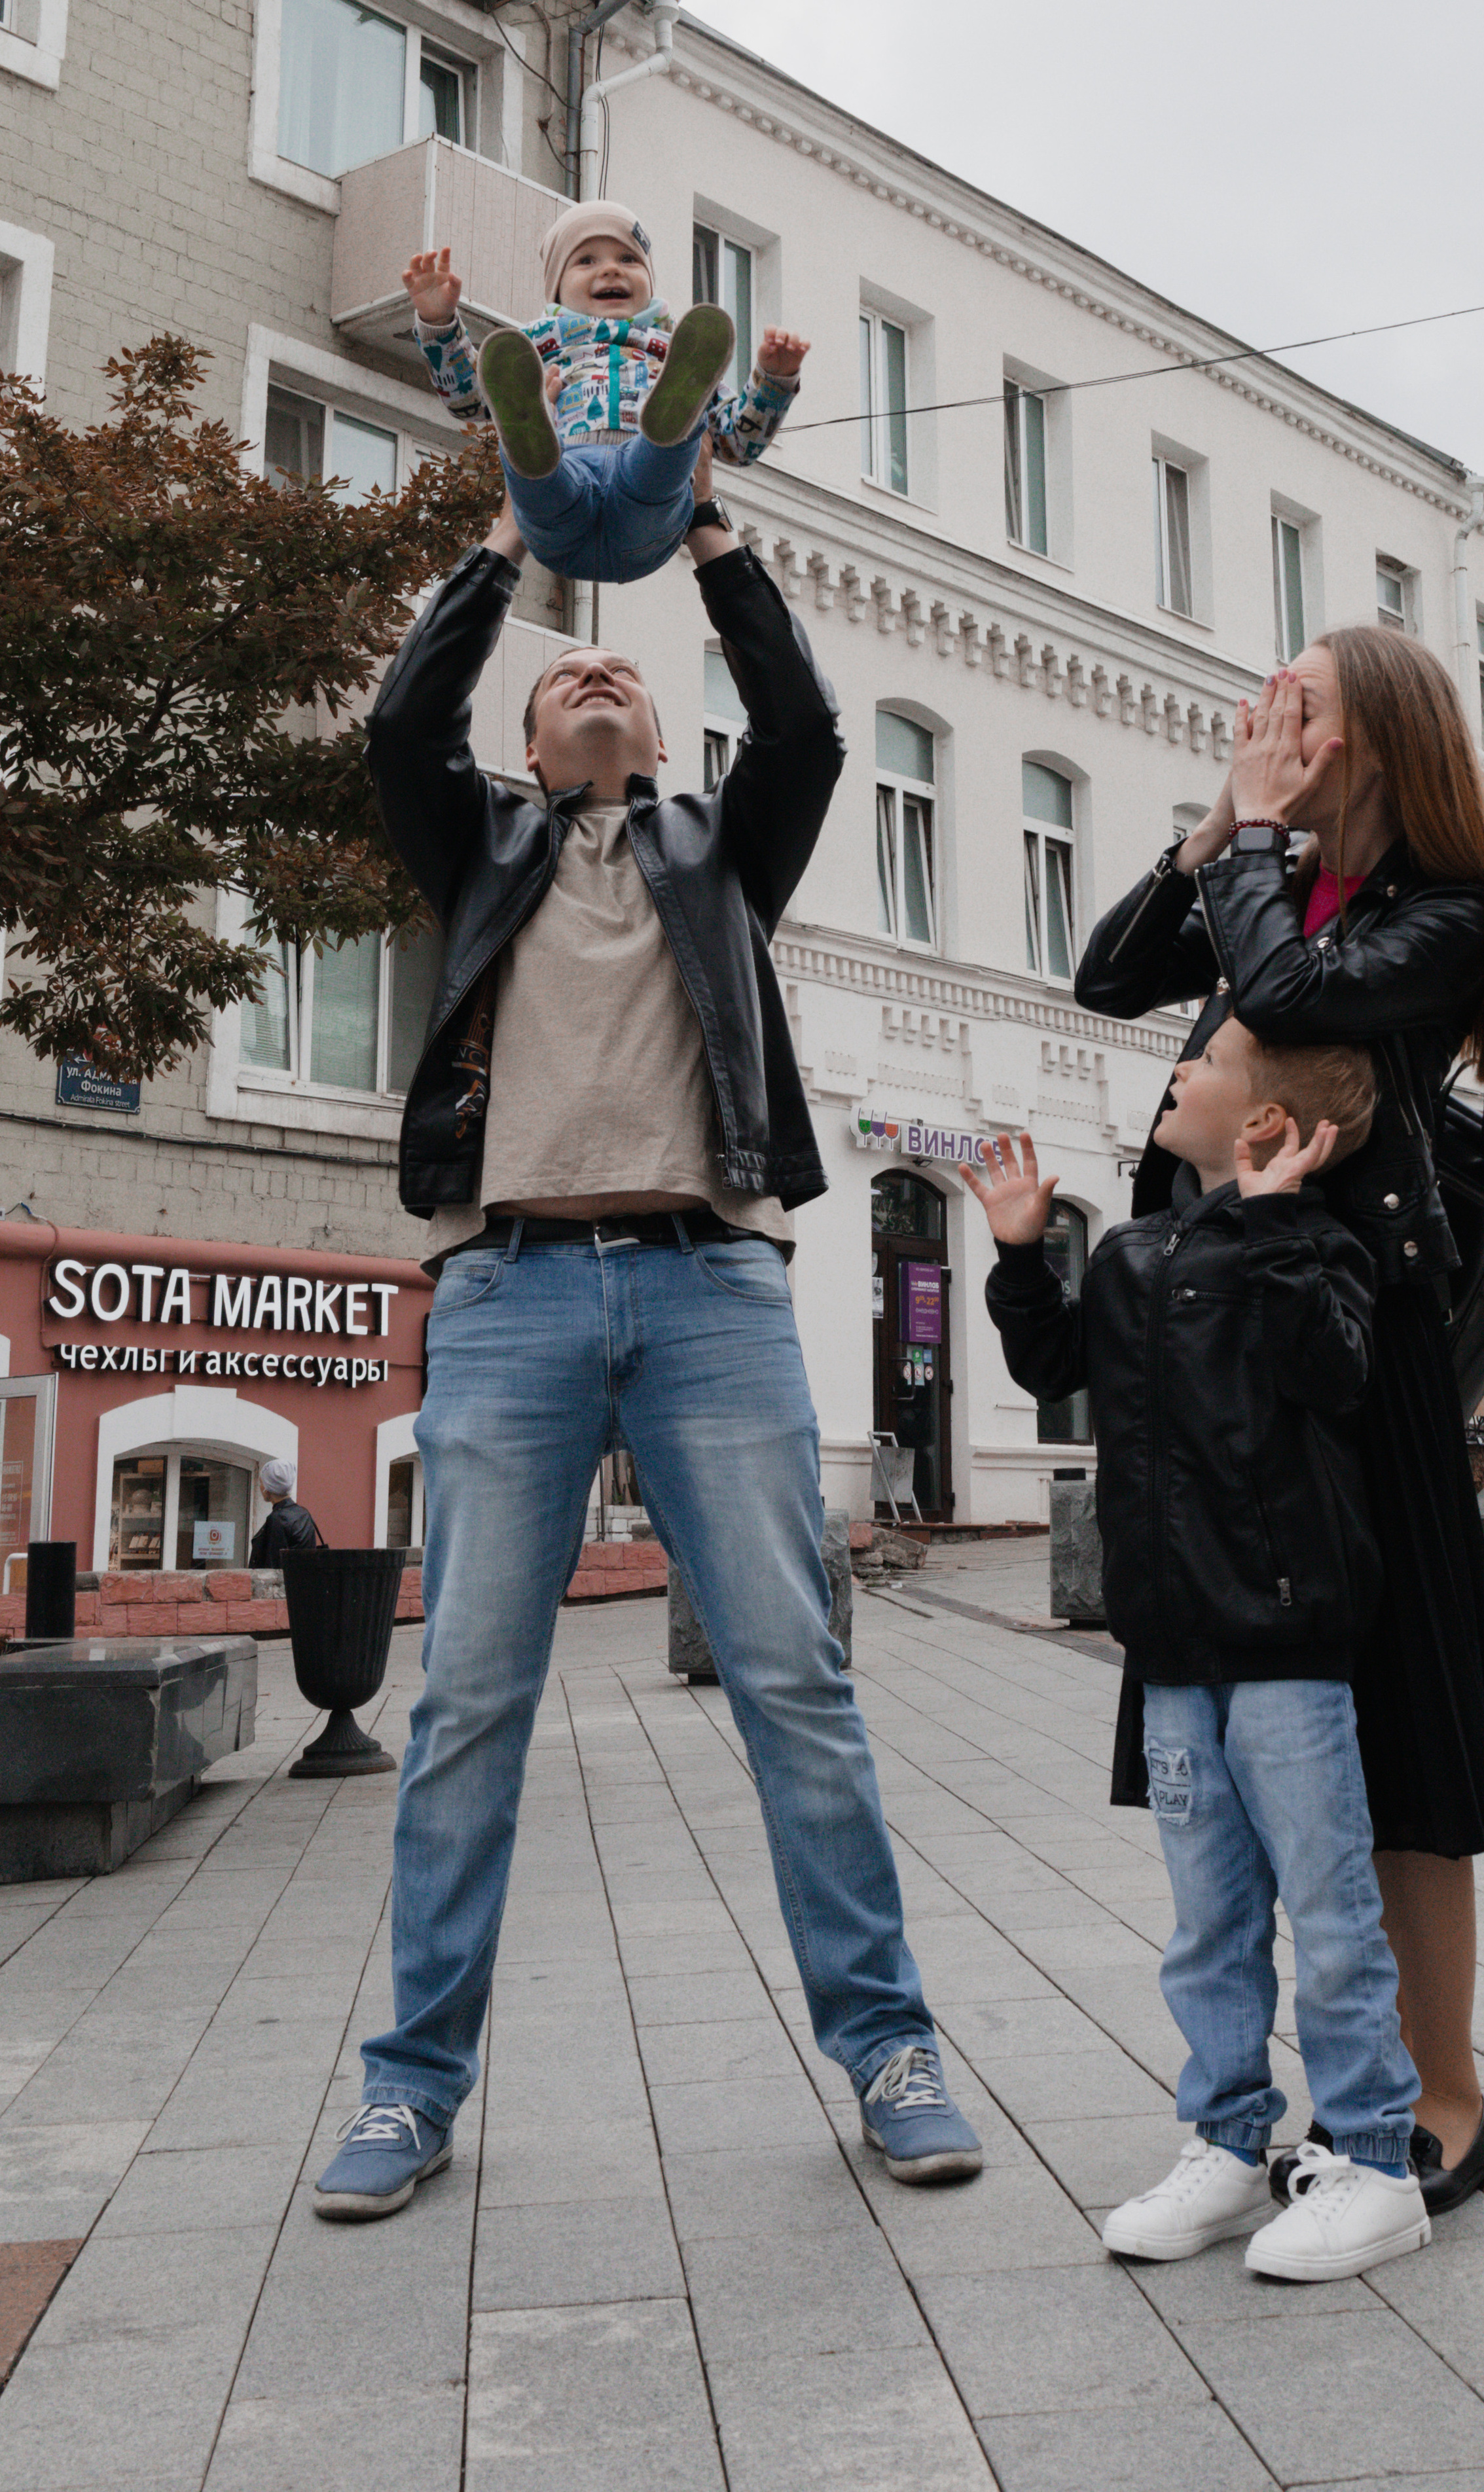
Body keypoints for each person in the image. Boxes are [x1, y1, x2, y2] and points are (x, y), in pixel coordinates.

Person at [310, 472, 981, 2220]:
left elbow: (809, 731)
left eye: (618, 677)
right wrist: (508, 538)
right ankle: (411, 2082)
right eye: (562, 682)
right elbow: (398, 725)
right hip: (509, 1290)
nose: (594, 679)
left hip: (710, 1290)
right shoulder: (478, 844)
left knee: (794, 1678)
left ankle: (891, 2047)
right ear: (529, 747)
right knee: (468, 1697)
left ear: (666, 736)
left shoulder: (717, 848)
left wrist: (704, 535)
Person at [1076, 629, 1484, 2217]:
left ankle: (1442, 2100)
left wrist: (1260, 846)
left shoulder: (1439, 914)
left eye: (1300, 703)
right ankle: (1257, 2103)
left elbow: (1283, 994)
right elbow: (1106, 972)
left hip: (1362, 1355)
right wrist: (1225, 824)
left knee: (1399, 1735)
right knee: (1234, 1729)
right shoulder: (1266, 876)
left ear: (1374, 741)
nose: (1266, 715)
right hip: (1227, 1363)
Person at [967, 1025, 1432, 2281]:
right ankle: (1228, 2143)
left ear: (1267, 1122)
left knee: (1331, 1915)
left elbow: (1332, 1369)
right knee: (1209, 1922)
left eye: (1208, 1060)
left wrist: (1274, 1227)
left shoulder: (1317, 1247)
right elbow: (1055, 1366)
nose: (1179, 1069)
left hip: (1285, 1641)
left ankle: (1378, 2162)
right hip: (1172, 1651)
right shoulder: (1133, 1251)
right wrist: (1020, 1256)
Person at [403, 200, 807, 586]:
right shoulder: (535, 344)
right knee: (544, 475)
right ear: (557, 288)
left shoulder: (678, 352)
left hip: (644, 514)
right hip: (569, 481)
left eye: (629, 259)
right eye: (586, 260)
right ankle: (532, 444)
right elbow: (470, 399)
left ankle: (670, 431)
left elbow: (738, 443)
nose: (612, 269)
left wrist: (774, 382)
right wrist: (439, 323)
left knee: (662, 462)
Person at [248, 1459, 322, 1565]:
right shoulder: (304, 1514)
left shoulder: (278, 1519)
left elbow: (273, 1565)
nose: (260, 1487)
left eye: (261, 1483)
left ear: (268, 1488)